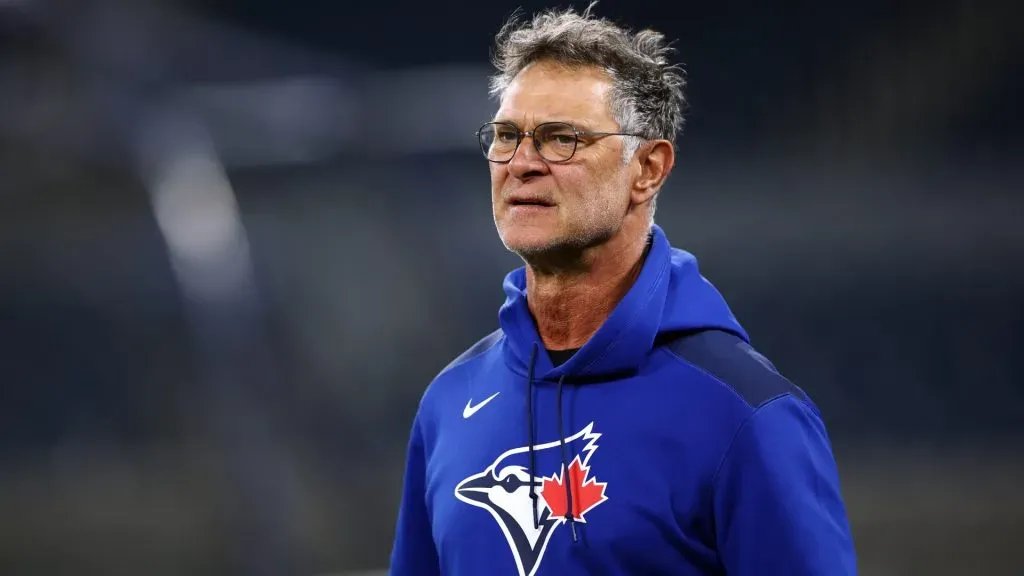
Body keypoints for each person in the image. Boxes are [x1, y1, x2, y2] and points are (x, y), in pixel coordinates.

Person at [389, 5, 857, 575]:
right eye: (507, 135)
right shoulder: (447, 403)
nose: (522, 163)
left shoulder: (747, 416)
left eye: (562, 139)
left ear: (648, 168)